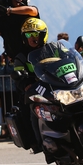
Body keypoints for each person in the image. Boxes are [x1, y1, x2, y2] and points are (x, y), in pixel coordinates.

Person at [12, 17, 49, 154]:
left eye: (34, 34)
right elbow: (18, 74)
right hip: (34, 91)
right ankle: (39, 144)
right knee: (34, 112)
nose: (31, 38)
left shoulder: (52, 50)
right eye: (28, 34)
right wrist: (26, 84)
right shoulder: (21, 56)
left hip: (53, 86)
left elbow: (65, 59)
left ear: (42, 35)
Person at [0, 51, 16, 139]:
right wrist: (2, 63)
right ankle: (6, 129)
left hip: (14, 88)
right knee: (5, 110)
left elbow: (12, 71)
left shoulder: (15, 57)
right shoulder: (1, 57)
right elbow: (0, 72)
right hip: (4, 89)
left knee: (14, 109)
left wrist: (11, 62)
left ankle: (15, 130)